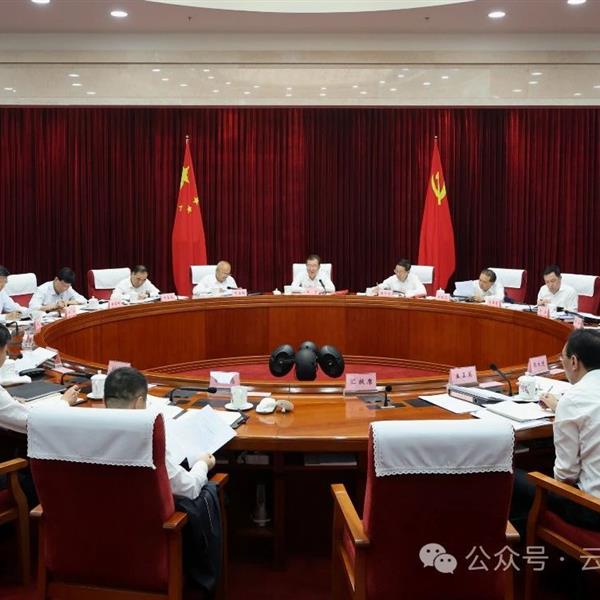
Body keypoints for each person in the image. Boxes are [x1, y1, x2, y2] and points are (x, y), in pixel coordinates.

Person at [104, 367, 220, 593]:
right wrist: (202, 464)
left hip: (97, 534)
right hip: (148, 540)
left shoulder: (85, 429)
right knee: (207, 490)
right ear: (139, 402)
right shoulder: (147, 438)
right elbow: (189, 488)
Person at [511, 329, 600, 535]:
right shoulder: (574, 401)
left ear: (574, 362)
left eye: (563, 359)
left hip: (592, 510)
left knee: (510, 476)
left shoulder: (574, 398)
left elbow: (565, 476)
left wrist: (564, 408)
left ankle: (524, 546)